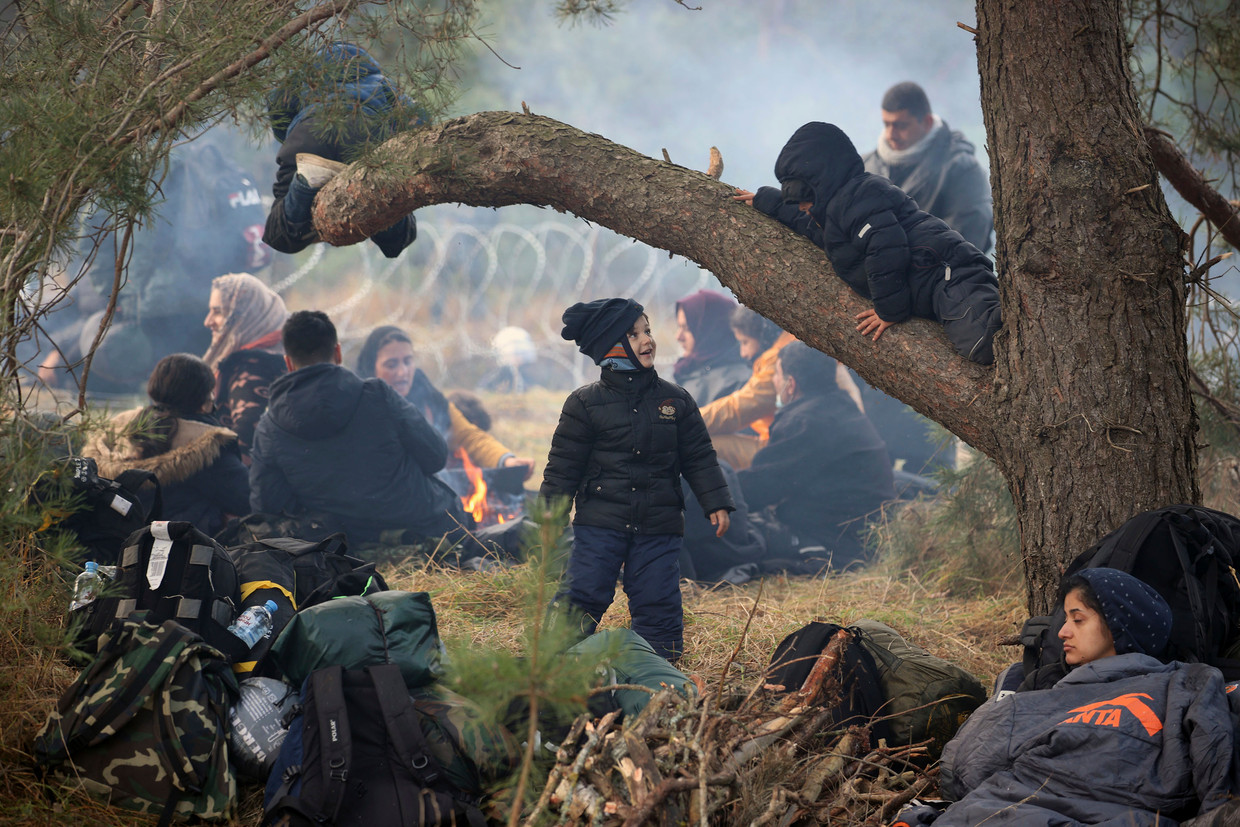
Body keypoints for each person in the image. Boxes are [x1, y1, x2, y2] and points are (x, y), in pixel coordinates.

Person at [934, 568, 1240, 826]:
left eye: (1077, 620)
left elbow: (964, 768)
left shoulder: (1182, 682)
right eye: (1065, 620)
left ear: (1120, 624)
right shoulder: (1045, 690)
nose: (1063, 632)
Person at [540, 298, 734, 662]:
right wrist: (549, 514)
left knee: (657, 596)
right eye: (634, 333)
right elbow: (563, 466)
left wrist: (716, 501)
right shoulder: (584, 404)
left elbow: (699, 457)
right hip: (601, 522)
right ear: (610, 346)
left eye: (648, 330)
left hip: (658, 523)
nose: (647, 341)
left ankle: (659, 669)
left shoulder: (675, 401)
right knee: (584, 591)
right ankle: (553, 662)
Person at [735, 122, 1002, 365]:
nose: (803, 207)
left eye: (804, 197)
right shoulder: (830, 215)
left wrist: (889, 311)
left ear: (822, 185)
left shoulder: (861, 196)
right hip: (930, 284)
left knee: (987, 343)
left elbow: (885, 248)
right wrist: (764, 200)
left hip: (948, 274)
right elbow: (805, 224)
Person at [249, 311, 467, 545]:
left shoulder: (269, 426)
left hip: (342, 543)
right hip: (423, 529)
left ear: (288, 363)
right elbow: (435, 456)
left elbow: (267, 504)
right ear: (338, 353)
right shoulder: (378, 395)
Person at [737, 343, 893, 571]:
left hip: (836, 544)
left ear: (791, 385)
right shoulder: (838, 407)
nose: (774, 382)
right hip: (861, 537)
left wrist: (711, 491)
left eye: (777, 375)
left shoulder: (808, 422)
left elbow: (760, 487)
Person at [263, 42, 422, 259]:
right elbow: (419, 118)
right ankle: (382, 190)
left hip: (311, 133)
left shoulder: (303, 76)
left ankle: (305, 182)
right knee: (398, 239)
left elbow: (277, 105)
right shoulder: (383, 83)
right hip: (369, 138)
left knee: (279, 235)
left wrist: (292, 141)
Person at [83, 353, 250, 536]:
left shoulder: (118, 428)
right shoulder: (208, 444)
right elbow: (248, 500)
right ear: (204, 399)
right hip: (181, 551)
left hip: (112, 546)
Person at [355, 325, 534, 478]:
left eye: (408, 361)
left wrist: (506, 460)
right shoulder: (360, 409)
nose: (403, 372)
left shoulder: (427, 397)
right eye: (391, 365)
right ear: (372, 368)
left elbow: (468, 435)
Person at [699, 306, 861, 471]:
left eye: (745, 342)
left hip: (811, 453)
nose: (743, 353)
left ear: (762, 335)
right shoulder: (793, 339)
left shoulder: (782, 357)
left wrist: (684, 420)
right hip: (826, 442)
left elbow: (738, 408)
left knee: (704, 446)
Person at [862, 82, 993, 252]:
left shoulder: (962, 170)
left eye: (901, 125)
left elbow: (966, 244)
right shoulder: (865, 166)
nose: (891, 135)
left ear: (927, 122)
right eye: (886, 124)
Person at [202, 273, 288, 461]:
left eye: (218, 312)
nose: (208, 321)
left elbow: (246, 435)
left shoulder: (252, 365)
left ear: (244, 316)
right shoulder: (284, 354)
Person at [672, 289, 751, 407]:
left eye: (687, 328)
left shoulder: (736, 383)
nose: (678, 337)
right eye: (679, 327)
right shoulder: (690, 369)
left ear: (709, 330)